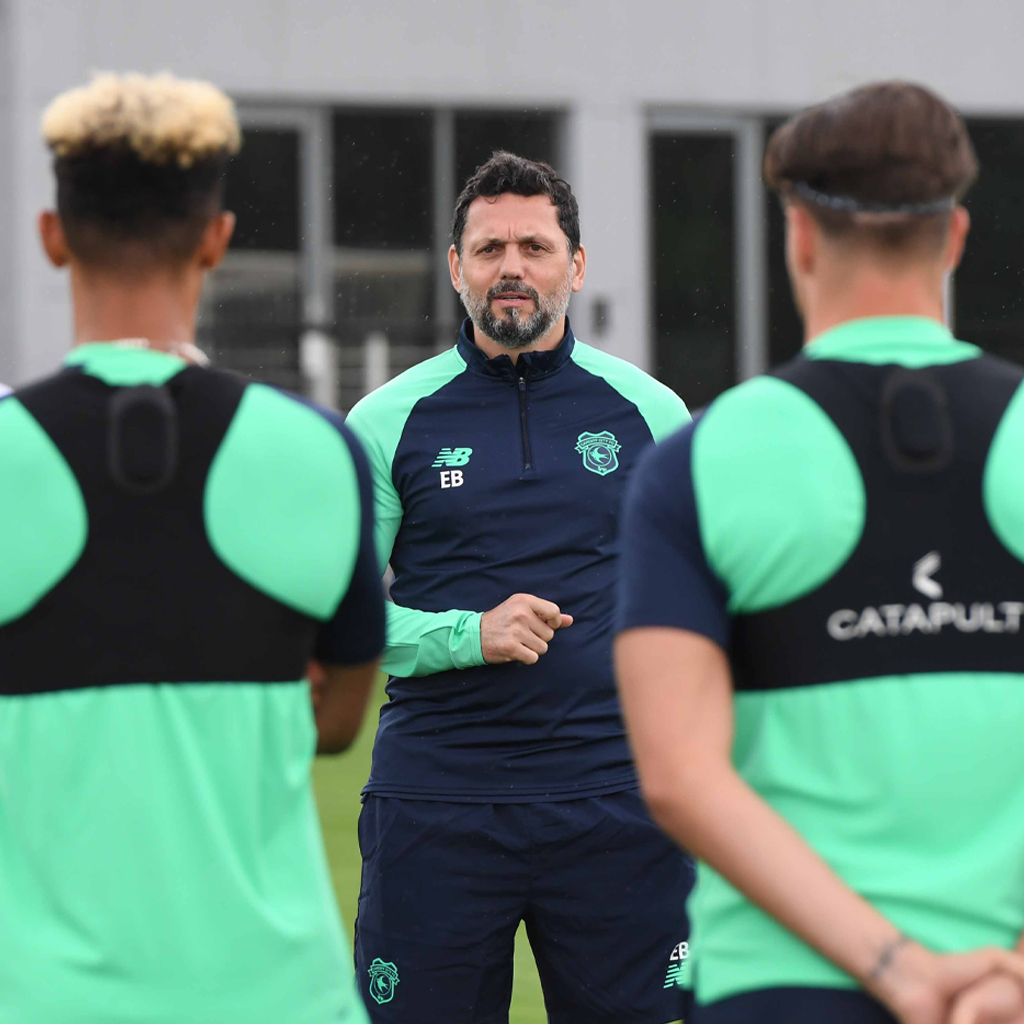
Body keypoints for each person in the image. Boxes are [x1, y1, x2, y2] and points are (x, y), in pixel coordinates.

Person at [615, 81, 1024, 1024]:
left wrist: (896, 968)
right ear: (955, 237)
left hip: (782, 988)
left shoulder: (698, 460)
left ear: (798, 235)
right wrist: (1004, 971)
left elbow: (678, 775)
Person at [0, 72, 385, 1024]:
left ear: (52, 237)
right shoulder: (320, 451)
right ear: (217, 239)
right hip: (274, 995)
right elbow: (338, 722)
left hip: (41, 996)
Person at [346, 151, 693, 1024]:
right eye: (490, 247)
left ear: (575, 266)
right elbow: (333, 617)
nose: (512, 268)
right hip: (437, 805)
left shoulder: (652, 413)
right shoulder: (388, 421)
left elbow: (697, 606)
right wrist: (468, 634)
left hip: (616, 800)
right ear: (456, 267)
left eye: (534, 247)